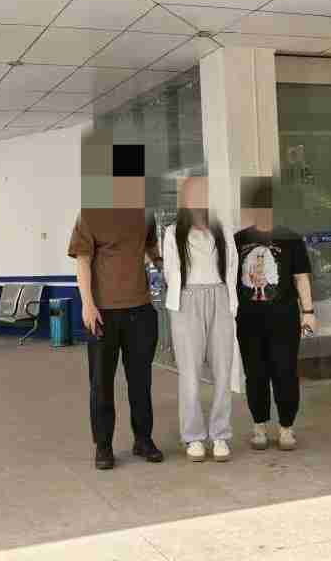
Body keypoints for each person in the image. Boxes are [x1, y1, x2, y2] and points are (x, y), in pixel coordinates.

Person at [68, 142, 164, 471]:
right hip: (103, 312)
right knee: (101, 383)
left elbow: (151, 247)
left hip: (140, 310)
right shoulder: (91, 212)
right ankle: (104, 445)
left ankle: (143, 439)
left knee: (141, 381)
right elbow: (82, 260)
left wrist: (165, 266)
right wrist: (87, 304)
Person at [234, 178, 316, 452]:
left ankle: (286, 428)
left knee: (285, 371)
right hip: (248, 320)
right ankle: (259, 427)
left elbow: (301, 277)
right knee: (255, 373)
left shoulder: (291, 238)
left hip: (284, 319)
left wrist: (308, 312)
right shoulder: (239, 240)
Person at [162, 176, 237, 463]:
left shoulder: (222, 230)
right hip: (187, 300)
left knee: (223, 371)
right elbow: (170, 272)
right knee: (190, 374)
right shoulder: (173, 233)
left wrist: (228, 302)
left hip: (219, 297)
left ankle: (220, 434)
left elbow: (232, 267)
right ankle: (193, 437)